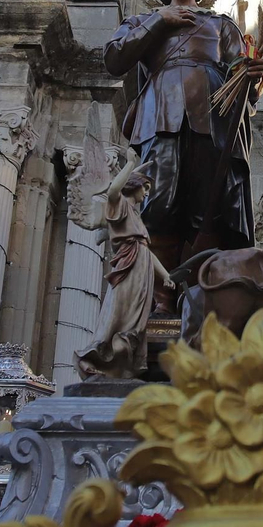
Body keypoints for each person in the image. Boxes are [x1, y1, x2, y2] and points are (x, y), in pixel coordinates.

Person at [103, 0, 263, 308]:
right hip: (160, 118)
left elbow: (246, 86)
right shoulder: (142, 21)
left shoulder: (222, 24)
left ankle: (202, 295)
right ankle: (160, 297)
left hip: (214, 121)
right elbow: (114, 59)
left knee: (211, 208)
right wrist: (162, 21)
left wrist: (252, 74)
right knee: (157, 205)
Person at [74, 159, 171, 379]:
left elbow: (146, 249)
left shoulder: (135, 215)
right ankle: (96, 358)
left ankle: (124, 366)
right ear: (134, 185)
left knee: (137, 320)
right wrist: (129, 164)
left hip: (142, 267)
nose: (146, 194)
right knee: (121, 312)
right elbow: (114, 188)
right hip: (128, 268)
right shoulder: (119, 204)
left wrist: (165, 274)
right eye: (144, 188)